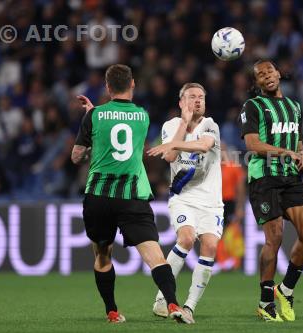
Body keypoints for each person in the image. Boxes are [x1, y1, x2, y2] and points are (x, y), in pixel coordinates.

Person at [71, 64, 193, 324]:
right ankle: (172, 303)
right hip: (132, 197)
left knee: (102, 256)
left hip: (99, 198)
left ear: (107, 87)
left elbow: (76, 156)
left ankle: (112, 312)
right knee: (155, 256)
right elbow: (123, 131)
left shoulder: (94, 116)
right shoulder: (143, 115)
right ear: (133, 84)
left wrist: (91, 118)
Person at [240, 60, 303, 322]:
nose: (266, 76)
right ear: (257, 84)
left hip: (290, 179)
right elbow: (252, 143)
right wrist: (283, 152)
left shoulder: (294, 107)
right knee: (274, 238)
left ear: (278, 74)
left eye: (269, 71)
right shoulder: (252, 106)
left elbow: (298, 144)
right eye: (260, 75)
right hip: (264, 178)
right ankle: (265, 302)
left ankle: (285, 290)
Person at [147, 83, 223, 323]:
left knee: (210, 246)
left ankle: (189, 306)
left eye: (201, 96)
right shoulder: (171, 125)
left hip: (211, 201)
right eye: (191, 97)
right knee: (187, 238)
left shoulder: (211, 124)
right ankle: (163, 298)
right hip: (183, 198)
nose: (198, 100)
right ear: (181, 102)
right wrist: (182, 124)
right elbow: (169, 157)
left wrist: (173, 145)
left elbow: (203, 145)